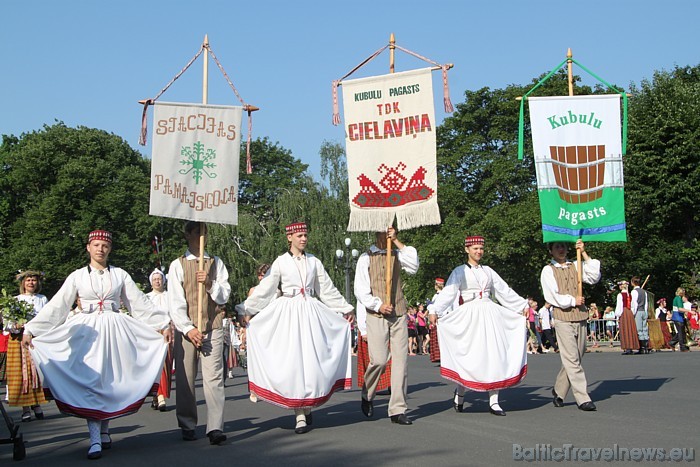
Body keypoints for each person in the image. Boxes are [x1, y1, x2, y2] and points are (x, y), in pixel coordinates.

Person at [23, 230, 171, 460]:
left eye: (105, 245)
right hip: (87, 331)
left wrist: (162, 323)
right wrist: (32, 328)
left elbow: (138, 304)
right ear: (88, 248)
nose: (100, 249)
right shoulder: (78, 276)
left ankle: (104, 430)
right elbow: (58, 305)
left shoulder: (120, 274)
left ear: (110, 249)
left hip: (114, 330)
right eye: (96, 245)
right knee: (92, 381)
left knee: (108, 380)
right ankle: (95, 438)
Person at [242, 222, 354, 434]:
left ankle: (307, 403)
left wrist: (345, 308)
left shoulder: (314, 262)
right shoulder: (281, 262)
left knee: (312, 360)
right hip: (289, 313)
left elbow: (327, 289)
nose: (304, 239)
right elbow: (265, 290)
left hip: (310, 311)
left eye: (305, 235)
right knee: (294, 362)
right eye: (300, 235)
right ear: (289, 238)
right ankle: (299, 414)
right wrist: (245, 308)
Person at [428, 235, 528, 416]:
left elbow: (504, 290)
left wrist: (522, 305)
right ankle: (461, 391)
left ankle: (494, 400)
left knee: (493, 355)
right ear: (467, 250)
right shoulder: (460, 271)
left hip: (489, 313)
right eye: (475, 248)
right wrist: (435, 310)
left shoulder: (489, 271)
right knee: (470, 356)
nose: (479, 252)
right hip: (469, 315)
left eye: (481, 248)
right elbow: (449, 292)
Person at [168, 221, 231, 445]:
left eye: (204, 231)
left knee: (214, 378)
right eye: (197, 232)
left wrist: (210, 283)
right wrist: (188, 328)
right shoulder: (178, 265)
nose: (201, 235)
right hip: (187, 329)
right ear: (188, 235)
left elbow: (224, 296)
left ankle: (215, 426)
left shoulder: (216, 262)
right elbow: (175, 303)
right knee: (185, 379)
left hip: (211, 326)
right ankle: (187, 422)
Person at [355, 226, 419, 426]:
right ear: (377, 233)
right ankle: (368, 393)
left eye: (391, 231)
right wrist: (378, 305)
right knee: (380, 360)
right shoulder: (366, 258)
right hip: (376, 315)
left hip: (399, 312)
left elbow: (414, 266)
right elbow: (360, 290)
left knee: (400, 363)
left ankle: (398, 409)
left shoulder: (399, 254)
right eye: (384, 232)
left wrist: (398, 242)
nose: (387, 235)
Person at [540, 239, 601, 412]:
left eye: (563, 246)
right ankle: (583, 397)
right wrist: (573, 300)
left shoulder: (576, 265)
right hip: (562, 318)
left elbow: (594, 277)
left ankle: (559, 391)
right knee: (572, 359)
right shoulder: (548, 270)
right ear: (550, 250)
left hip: (580, 316)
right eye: (557, 247)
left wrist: (583, 253)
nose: (561, 249)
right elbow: (552, 295)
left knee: (576, 357)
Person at [6, 270, 48, 422]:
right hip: (18, 339)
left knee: (36, 372)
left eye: (34, 280)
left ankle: (36, 404)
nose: (31, 282)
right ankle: (25, 408)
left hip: (35, 339)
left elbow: (46, 318)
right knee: (21, 374)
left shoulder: (42, 299)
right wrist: (16, 325)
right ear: (23, 283)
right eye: (28, 280)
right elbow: (7, 323)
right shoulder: (15, 300)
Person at [145, 269, 173, 411]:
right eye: (154, 279)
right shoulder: (147, 298)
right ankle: (160, 396)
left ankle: (158, 395)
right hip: (153, 335)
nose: (157, 281)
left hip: (169, 332)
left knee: (167, 364)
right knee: (158, 365)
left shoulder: (170, 296)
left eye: (159, 278)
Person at [615, 281, 639, 355]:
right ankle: (631, 346)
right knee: (630, 329)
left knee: (625, 329)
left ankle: (628, 347)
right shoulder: (630, 295)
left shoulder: (620, 295)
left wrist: (618, 315)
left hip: (624, 312)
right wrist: (632, 313)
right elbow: (634, 305)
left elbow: (619, 306)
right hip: (630, 312)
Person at [428, 278, 447, 363]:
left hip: (440, 319)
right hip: (447, 317)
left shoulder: (437, 296)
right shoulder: (447, 295)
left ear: (436, 285)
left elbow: (433, 308)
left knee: (439, 339)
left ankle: (442, 357)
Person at [630, 276, 650, 354]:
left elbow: (634, 304)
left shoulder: (634, 292)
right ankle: (646, 346)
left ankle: (642, 347)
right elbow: (646, 304)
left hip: (638, 311)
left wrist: (633, 313)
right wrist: (645, 312)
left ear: (633, 283)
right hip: (644, 311)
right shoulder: (644, 292)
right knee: (644, 328)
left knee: (639, 329)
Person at [669, 288, 690, 352]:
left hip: (677, 317)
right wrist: (689, 311)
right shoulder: (678, 299)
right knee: (681, 333)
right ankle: (682, 346)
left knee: (681, 332)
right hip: (678, 318)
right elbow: (680, 309)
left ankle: (672, 343)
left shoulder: (677, 298)